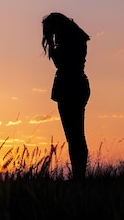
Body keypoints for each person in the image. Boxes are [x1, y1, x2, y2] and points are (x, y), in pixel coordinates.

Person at [41, 12, 90, 179]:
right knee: (76, 135)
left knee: (74, 136)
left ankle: (79, 176)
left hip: (69, 86)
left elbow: (62, 64)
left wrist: (54, 49)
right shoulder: (78, 38)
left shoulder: (67, 41)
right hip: (77, 85)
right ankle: (79, 174)